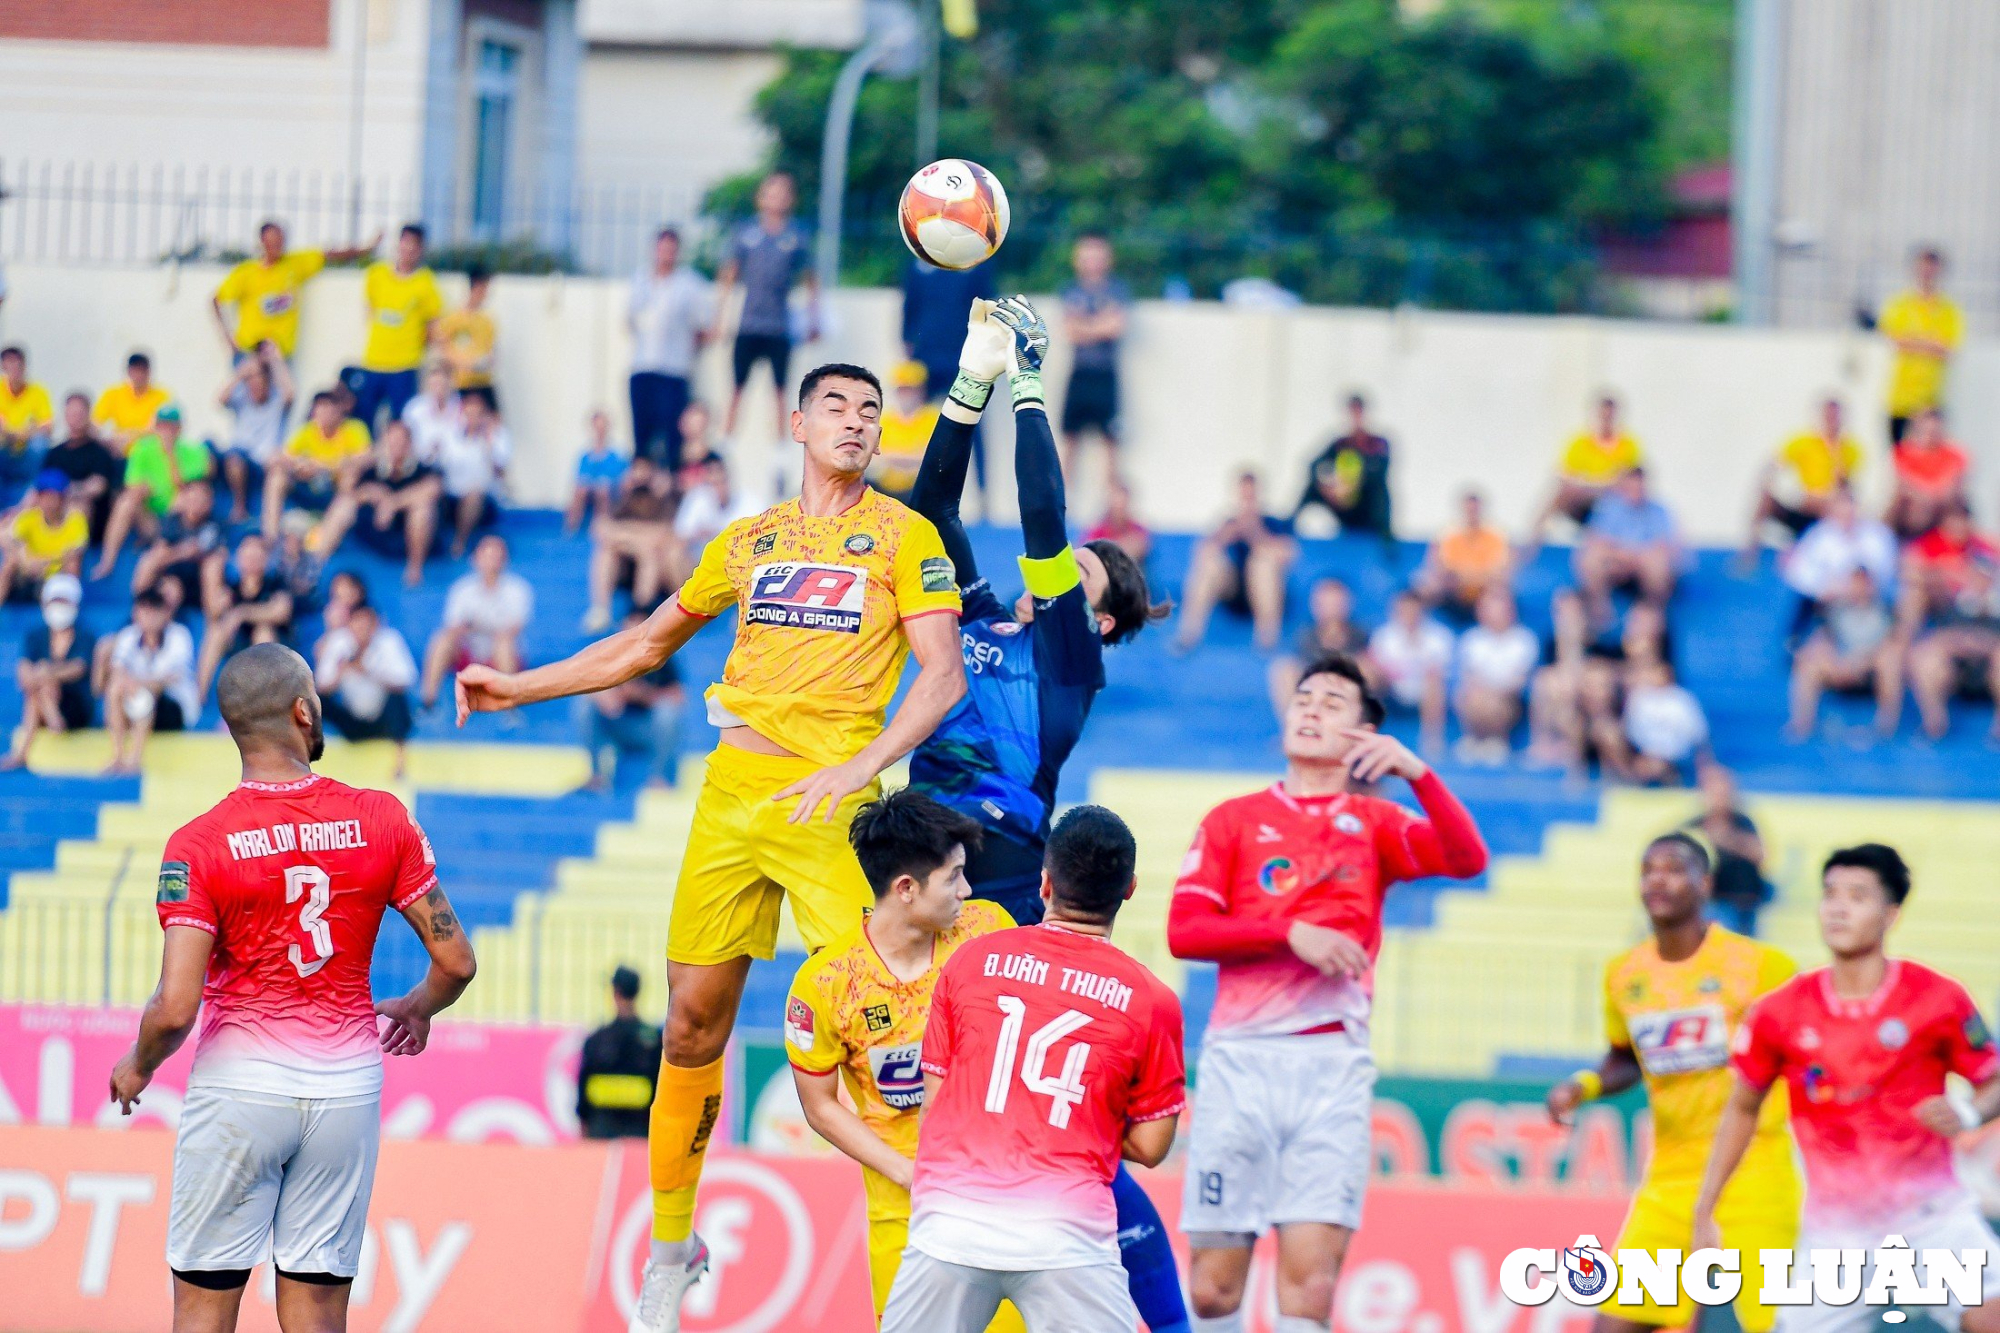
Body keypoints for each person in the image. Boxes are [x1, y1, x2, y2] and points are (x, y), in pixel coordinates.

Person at [455, 361, 968, 1332]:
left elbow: (940, 677)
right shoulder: (748, 539)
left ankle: (923, 1255)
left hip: (834, 808)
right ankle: (671, 1248)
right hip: (731, 795)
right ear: (796, 421)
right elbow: (644, 645)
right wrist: (513, 688)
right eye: (836, 407)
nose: (855, 423)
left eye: (869, 411)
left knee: (886, 1030)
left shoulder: (907, 537)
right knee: (691, 1024)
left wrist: (860, 767)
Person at [901, 297, 1185, 1333]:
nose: (1066, 571)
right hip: (906, 857)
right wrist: (971, 377)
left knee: (1024, 1135)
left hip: (1000, 881)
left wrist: (1030, 379)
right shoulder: (975, 611)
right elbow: (930, 500)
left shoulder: (1073, 657)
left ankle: (1149, 1302)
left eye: (1086, 573)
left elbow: (1041, 521)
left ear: (1099, 614)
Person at [107, 641, 474, 1332]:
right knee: (315, 1311)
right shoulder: (382, 816)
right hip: (346, 1087)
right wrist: (419, 1007)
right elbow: (455, 960)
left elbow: (176, 1003)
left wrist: (137, 1064)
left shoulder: (199, 842)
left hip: (241, 1088)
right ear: (304, 711)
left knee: (204, 1309)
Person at [1167, 654, 1487, 1332]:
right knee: (1213, 1293)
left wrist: (1418, 774)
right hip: (1241, 1062)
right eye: (1304, 697)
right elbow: (1185, 931)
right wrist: (1292, 932)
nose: (1310, 708)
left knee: (1310, 1290)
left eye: (1333, 702)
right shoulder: (1233, 819)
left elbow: (1467, 858)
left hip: (1331, 1068)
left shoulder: (1376, 823)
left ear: (1365, 734)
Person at [879, 806, 1186, 1333]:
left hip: (952, 1225)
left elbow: (937, 1101)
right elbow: (1154, 1147)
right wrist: (1077, 1114)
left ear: (1044, 882)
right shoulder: (1152, 999)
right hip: (1067, 1240)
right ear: (1130, 889)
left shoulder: (970, 961)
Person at [1693, 844, 2000, 1332]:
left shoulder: (1937, 998)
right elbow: (1741, 1109)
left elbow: (1993, 1081)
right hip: (1836, 1240)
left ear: (1891, 914)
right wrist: (1705, 1206)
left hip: (1934, 1220)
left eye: (1857, 896)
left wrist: (1967, 1114)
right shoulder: (1781, 1011)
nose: (1838, 907)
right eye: (1830, 893)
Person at [1544, 833, 1799, 1333]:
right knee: (1613, 1325)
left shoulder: (1761, 967)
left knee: (1773, 1325)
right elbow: (1626, 1056)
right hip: (1672, 1179)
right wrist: (1583, 1086)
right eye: (1649, 870)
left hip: (1754, 1171)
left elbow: (1811, 1047)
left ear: (1705, 883)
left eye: (1674, 869)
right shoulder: (1624, 975)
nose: (1658, 880)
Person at [786, 790, 1019, 1325]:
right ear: (906, 889)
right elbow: (820, 1105)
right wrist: (906, 1172)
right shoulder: (826, 985)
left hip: (1004, 1202)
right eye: (954, 876)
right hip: (905, 1214)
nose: (968, 889)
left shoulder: (989, 933)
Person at [717, 172, 816, 438]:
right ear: (761, 197)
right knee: (737, 389)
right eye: (772, 192)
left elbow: (810, 279)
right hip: (749, 323)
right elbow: (729, 274)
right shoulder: (747, 233)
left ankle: (780, 453)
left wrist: (813, 318)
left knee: (781, 392)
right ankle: (726, 446)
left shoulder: (796, 236)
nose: (777, 198)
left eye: (783, 193)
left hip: (779, 326)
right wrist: (720, 318)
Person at [212, 219, 375, 363]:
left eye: (281, 241)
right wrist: (228, 340)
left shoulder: (294, 264)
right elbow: (216, 300)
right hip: (250, 353)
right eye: (273, 242)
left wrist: (366, 250)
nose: (278, 246)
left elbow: (329, 254)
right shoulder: (246, 273)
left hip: (279, 356)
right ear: (263, 242)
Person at [1172, 470, 1297, 653]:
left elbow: (1288, 555)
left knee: (1261, 562)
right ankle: (1188, 635)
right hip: (1234, 594)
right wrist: (1225, 536)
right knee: (1211, 563)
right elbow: (1201, 553)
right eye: (1243, 497)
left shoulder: (1274, 523)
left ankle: (1267, 639)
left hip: (1268, 594)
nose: (1247, 502)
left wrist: (1256, 535)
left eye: (1251, 496)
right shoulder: (1228, 524)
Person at [316, 420, 443, 587]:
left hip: (406, 536)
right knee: (343, 504)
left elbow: (434, 488)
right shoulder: (372, 466)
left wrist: (392, 503)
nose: (396, 444)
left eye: (401, 440)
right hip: (375, 532)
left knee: (423, 509)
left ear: (409, 443)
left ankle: (414, 568)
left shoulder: (421, 467)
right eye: (391, 439)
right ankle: (317, 563)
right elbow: (347, 489)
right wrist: (370, 491)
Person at [628, 227, 715, 464]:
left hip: (674, 370)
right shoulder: (641, 280)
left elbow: (705, 327)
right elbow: (631, 320)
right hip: (643, 366)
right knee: (641, 434)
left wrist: (687, 350)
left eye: (671, 249)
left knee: (673, 436)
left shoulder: (689, 284)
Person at [576, 611, 687, 792]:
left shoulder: (663, 655)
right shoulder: (610, 655)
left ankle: (660, 779)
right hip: (616, 724)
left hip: (647, 727)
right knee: (584, 705)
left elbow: (679, 697)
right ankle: (596, 776)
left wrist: (643, 695)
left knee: (668, 714)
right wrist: (606, 695)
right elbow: (585, 682)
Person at [95, 403, 212, 576]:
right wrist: (144, 490)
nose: (166, 431)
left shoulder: (195, 451)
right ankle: (108, 560)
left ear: (179, 428)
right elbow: (132, 486)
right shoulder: (143, 448)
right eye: (162, 426)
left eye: (171, 426)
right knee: (126, 502)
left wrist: (170, 455)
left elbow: (193, 490)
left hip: (182, 521)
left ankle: (162, 549)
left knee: (183, 499)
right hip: (152, 519)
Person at [1786, 567, 1898, 743]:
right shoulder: (1833, 611)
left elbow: (1892, 643)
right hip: (1839, 665)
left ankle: (1886, 726)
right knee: (1808, 661)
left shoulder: (1886, 611)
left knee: (1891, 660)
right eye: (1855, 583)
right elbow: (1822, 639)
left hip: (1870, 668)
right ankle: (1802, 725)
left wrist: (1862, 662)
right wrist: (1837, 663)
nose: (1859, 588)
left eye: (1863, 584)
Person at [349, 224, 443, 432]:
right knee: (364, 422)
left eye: (414, 247)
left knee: (401, 424)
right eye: (405, 244)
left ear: (420, 250)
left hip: (405, 366)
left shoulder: (426, 283)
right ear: (398, 244)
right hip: (373, 361)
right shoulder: (377, 274)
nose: (408, 250)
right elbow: (370, 309)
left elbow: (432, 326)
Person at [1743, 397, 1861, 562]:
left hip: (1828, 511)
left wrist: (1837, 459)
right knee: (1766, 498)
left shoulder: (1850, 449)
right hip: (1804, 504)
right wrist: (1781, 487)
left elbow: (1849, 490)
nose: (1831, 422)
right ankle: (1750, 553)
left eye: (1835, 417)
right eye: (1828, 416)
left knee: (1832, 501)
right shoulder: (1803, 442)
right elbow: (1772, 467)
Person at [422, 534, 532, 710]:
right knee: (441, 640)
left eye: (497, 555)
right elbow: (453, 628)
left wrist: (474, 626)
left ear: (505, 560)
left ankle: (509, 706)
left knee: (503, 643)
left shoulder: (518, 589)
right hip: (469, 653)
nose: (492, 561)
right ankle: (428, 701)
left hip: (503, 657)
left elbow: (513, 629)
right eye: (487, 555)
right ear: (475, 558)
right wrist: (483, 628)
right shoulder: (461, 589)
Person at [1781, 487, 1898, 647]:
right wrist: (1825, 587)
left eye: (1849, 508)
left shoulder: (1877, 534)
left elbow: (1886, 572)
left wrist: (1858, 586)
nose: (1846, 516)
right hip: (1830, 600)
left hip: (1869, 600)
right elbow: (1799, 572)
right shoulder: (1819, 535)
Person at [1057, 234, 1129, 493]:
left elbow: (1116, 327)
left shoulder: (1118, 289)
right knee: (1069, 441)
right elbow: (1071, 330)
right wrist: (1099, 325)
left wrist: (1085, 326)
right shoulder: (1070, 290)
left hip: (1106, 375)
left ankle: (1111, 509)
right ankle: (1060, 505)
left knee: (1110, 444)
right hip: (1079, 374)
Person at [102, 589, 201, 775]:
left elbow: (170, 678)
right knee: (115, 688)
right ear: (135, 613)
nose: (149, 616)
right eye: (144, 610)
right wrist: (130, 684)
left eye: (154, 610)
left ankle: (135, 759)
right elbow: (117, 670)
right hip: (134, 702)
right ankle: (118, 756)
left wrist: (136, 683)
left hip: (173, 709)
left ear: (165, 613)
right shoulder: (128, 635)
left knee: (146, 693)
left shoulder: (179, 635)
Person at [3, 574, 96, 769]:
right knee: (40, 690)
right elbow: (24, 672)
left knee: (44, 684)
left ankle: (21, 754)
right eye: (55, 601)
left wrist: (47, 672)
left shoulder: (85, 636)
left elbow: (79, 668)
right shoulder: (36, 636)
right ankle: (53, 720)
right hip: (45, 699)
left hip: (75, 706)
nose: (59, 607)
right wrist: (45, 676)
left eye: (64, 601)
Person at [584, 454, 683, 633]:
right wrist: (635, 539)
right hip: (628, 562)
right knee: (605, 552)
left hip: (662, 570)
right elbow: (600, 528)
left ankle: (641, 612)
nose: (639, 475)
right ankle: (601, 611)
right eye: (635, 469)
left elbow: (663, 535)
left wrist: (624, 535)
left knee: (649, 553)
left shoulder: (665, 499)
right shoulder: (624, 497)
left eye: (644, 470)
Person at [1574, 467, 1683, 624]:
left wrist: (1635, 557)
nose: (1635, 490)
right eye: (1631, 485)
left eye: (1639, 485)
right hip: (1617, 563)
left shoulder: (1659, 511)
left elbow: (1666, 546)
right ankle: (1599, 609)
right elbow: (1597, 539)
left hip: (1643, 564)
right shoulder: (1609, 509)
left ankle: (1652, 611)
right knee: (1591, 558)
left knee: (1657, 562)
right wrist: (1622, 556)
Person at [315, 603, 418, 769]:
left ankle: (400, 758)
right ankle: (309, 754)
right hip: (352, 720)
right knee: (314, 702)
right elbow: (321, 686)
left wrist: (370, 673)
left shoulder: (389, 640)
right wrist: (341, 672)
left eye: (367, 624)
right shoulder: (338, 642)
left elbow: (406, 680)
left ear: (376, 624)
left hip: (384, 719)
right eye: (357, 623)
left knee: (398, 699)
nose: (362, 629)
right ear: (349, 624)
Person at [1530, 394, 1643, 542]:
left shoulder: (1629, 444)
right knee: (1558, 494)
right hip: (1585, 501)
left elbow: (1631, 481)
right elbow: (1563, 476)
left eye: (1610, 417)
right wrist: (1598, 484)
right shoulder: (1579, 442)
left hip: (1614, 502)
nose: (1605, 421)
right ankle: (1533, 540)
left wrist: (1592, 484)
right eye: (1602, 416)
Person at [196, 533, 296, 700]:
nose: (251, 559)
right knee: (214, 632)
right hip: (238, 644)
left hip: (274, 647)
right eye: (247, 554)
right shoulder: (231, 589)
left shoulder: (275, 584)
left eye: (257, 555)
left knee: (263, 632)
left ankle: (266, 698)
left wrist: (242, 613)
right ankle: (199, 698)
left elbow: (281, 611)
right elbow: (212, 614)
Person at [1879, 246, 1962, 443]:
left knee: (1929, 459)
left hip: (1930, 400)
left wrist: (1913, 340)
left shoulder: (1949, 309)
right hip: (1901, 398)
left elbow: (1947, 349)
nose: (1927, 274)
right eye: (1923, 268)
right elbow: (1896, 341)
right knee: (1900, 457)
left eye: (1932, 269)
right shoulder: (1899, 304)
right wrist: (1929, 342)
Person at [264, 390, 369, 543]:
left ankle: (325, 538)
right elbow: (278, 456)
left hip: (336, 489)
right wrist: (299, 465)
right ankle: (270, 537)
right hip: (309, 485)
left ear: (339, 411)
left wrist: (322, 466)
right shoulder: (308, 430)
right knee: (276, 475)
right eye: (319, 409)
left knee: (350, 475)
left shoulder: (354, 429)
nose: (323, 414)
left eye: (328, 408)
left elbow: (364, 459)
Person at [1681, 766, 1774, 936]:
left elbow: (1762, 855)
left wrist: (1728, 839)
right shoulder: (1694, 826)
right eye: (1715, 791)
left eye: (1724, 790)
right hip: (1712, 903)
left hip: (1747, 901)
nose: (1721, 797)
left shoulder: (1743, 822)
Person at [576, 966, 663, 1140]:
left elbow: (583, 1094)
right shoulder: (654, 1040)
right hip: (641, 1132)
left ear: (615, 992)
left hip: (601, 1130)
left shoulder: (597, 1039)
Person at [1453, 588, 1538, 764]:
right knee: (1466, 695)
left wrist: (1495, 692)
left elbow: (1520, 680)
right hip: (1480, 696)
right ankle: (1475, 739)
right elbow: (1470, 677)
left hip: (1508, 700)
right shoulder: (1472, 639)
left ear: (1510, 611)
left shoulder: (1524, 639)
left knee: (1496, 701)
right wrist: (1484, 692)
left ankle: (1498, 740)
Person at [1293, 393, 1393, 541]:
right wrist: (1328, 487)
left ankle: (1385, 535)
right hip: (1344, 504)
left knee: (1379, 492)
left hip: (1365, 507)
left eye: (1358, 413)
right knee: (1311, 487)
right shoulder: (1340, 444)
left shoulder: (1377, 443)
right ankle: (1290, 526)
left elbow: (1379, 474)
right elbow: (1313, 465)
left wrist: (1352, 484)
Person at [215, 343, 296, 524]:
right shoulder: (242, 397)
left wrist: (276, 360)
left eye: (257, 377)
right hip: (239, 456)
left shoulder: (276, 400)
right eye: (249, 379)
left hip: (263, 463)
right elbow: (220, 400)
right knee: (213, 449)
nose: (253, 383)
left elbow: (290, 393)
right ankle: (238, 507)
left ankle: (251, 514)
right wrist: (240, 373)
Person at [1364, 590, 1452, 755]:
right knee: (1368, 675)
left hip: (1424, 692)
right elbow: (1376, 670)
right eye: (1404, 611)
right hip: (1392, 692)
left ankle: (1432, 740)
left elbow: (1440, 673)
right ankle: (1367, 733)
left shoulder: (1438, 637)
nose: (1409, 616)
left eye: (1413, 611)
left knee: (1434, 683)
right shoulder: (1383, 637)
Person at [1270, 576, 1365, 717]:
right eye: (1325, 602)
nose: (1331, 608)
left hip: (1345, 689)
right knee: (1283, 670)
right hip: (1315, 687)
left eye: (1336, 602)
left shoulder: (1361, 635)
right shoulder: (1305, 636)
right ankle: (1293, 727)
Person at [1606, 659, 1708, 785]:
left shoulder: (1684, 700)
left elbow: (1697, 735)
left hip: (1676, 758)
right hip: (1643, 754)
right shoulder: (1638, 698)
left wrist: (1665, 754)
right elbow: (1631, 731)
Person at [131, 478, 225, 613]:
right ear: (184, 500)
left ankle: (213, 619)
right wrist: (182, 552)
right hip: (174, 576)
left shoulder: (214, 525)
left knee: (213, 565)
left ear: (209, 503)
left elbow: (211, 554)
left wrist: (184, 553)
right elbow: (160, 554)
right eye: (193, 498)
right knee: (151, 561)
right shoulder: (172, 522)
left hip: (200, 582)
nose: (197, 504)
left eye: (202, 499)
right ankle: (139, 607)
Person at [436, 386, 510, 558]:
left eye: (478, 413)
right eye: (469, 413)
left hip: (482, 500)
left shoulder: (498, 436)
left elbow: (500, 473)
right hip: (450, 495)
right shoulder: (449, 435)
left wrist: (488, 444)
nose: (473, 418)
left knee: (474, 495)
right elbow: (438, 465)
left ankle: (459, 542)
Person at [1415, 488, 1511, 614]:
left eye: (1474, 510)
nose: (1471, 514)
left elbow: (1498, 572)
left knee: (1500, 589)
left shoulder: (1495, 537)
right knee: (1425, 584)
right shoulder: (1448, 535)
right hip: (1453, 589)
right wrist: (1465, 576)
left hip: (1483, 590)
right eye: (1468, 510)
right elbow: (1440, 568)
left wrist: (1469, 576)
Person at [1527, 588, 1593, 770]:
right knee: (1546, 682)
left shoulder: (1597, 645)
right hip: (1558, 719)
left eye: (1572, 612)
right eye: (1560, 613)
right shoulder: (1548, 645)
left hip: (1587, 724)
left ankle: (1574, 755)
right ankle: (1545, 744)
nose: (1565, 620)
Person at [43, 393, 122, 540]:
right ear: (65, 416)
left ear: (88, 415)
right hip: (55, 509)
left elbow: (98, 486)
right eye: (72, 413)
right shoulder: (54, 453)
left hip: (90, 517)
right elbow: (42, 486)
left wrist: (66, 491)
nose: (76, 417)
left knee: (76, 508)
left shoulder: (100, 452)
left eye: (80, 413)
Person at [0, 470, 87, 604]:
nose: (48, 502)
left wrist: (44, 563)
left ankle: (68, 612)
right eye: (44, 496)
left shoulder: (76, 520)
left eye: (53, 497)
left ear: (63, 498)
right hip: (28, 573)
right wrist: (25, 559)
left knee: (73, 565)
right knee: (9, 563)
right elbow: (9, 539)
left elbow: (74, 553)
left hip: (57, 573)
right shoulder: (30, 517)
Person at [1886, 407, 1969, 541]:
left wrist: (1931, 494)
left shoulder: (1955, 454)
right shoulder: (1903, 453)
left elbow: (1953, 484)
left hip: (1943, 507)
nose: (1930, 435)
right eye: (1926, 430)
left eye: (1934, 431)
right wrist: (1927, 494)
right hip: (1914, 510)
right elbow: (1905, 484)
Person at [871, 361, 937, 501]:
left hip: (919, 491)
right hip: (885, 489)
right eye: (901, 389)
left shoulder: (933, 418)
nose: (905, 395)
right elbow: (874, 457)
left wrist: (893, 457)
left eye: (909, 389)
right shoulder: (886, 419)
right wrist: (910, 458)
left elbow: (933, 458)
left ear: (921, 390)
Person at [671, 452, 758, 557]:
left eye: (722, 481)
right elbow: (681, 534)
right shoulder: (697, 498)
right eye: (713, 483)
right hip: (701, 558)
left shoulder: (749, 501)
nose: (719, 488)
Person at [0, 344, 54, 494]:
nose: (14, 367)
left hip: (28, 450)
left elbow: (47, 427)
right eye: (9, 363)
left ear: (24, 365)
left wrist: (18, 434)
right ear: (3, 366)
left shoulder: (38, 391)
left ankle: (29, 492)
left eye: (18, 362)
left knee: (40, 444)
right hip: (4, 448)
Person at [93, 352, 173, 450]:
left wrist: (127, 435)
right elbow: (96, 423)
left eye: (143, 370)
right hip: (120, 452)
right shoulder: (113, 394)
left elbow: (158, 428)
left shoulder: (162, 396)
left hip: (148, 453)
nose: (139, 375)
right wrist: (107, 437)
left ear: (149, 372)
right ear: (128, 372)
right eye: (136, 370)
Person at [433, 266, 496, 389]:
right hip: (460, 384)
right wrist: (464, 363)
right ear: (476, 287)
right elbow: (441, 350)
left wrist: (485, 362)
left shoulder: (487, 321)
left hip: (483, 382)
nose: (486, 294)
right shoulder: (452, 318)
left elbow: (491, 353)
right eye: (484, 288)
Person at [568, 410, 628, 535]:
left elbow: (620, 477)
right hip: (590, 489)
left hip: (610, 490)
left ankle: (600, 527)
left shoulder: (617, 455)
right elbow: (581, 477)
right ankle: (571, 528)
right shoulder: (585, 455)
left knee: (603, 490)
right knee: (580, 490)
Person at [400, 362, 462, 466]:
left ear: (450, 382)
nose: (438, 389)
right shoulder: (414, 408)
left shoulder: (462, 408)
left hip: (454, 465)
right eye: (434, 384)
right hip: (421, 465)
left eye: (442, 384)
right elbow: (405, 440)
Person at [1082, 478, 1151, 567]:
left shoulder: (1137, 528)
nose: (1119, 508)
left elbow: (1140, 547)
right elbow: (1087, 554)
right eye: (1116, 503)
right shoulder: (1097, 529)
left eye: (1122, 503)